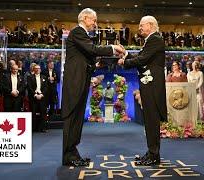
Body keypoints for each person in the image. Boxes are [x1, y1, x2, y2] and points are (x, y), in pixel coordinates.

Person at [61, 8, 125, 167]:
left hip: (80, 80)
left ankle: (72, 152)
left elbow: (86, 56)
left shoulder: (81, 35)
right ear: (84, 18)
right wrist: (112, 48)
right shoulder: (77, 32)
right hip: (75, 82)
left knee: (77, 117)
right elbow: (92, 49)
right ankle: (68, 154)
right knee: (73, 117)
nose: (95, 24)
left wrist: (96, 64)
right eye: (94, 20)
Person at [118, 15, 167, 166]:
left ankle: (154, 155)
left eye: (141, 25)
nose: (139, 28)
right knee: (150, 121)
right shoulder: (151, 40)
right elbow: (142, 57)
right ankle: (152, 152)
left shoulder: (155, 39)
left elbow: (142, 60)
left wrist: (125, 63)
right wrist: (126, 55)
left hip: (152, 87)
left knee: (152, 121)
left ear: (151, 25)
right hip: (148, 85)